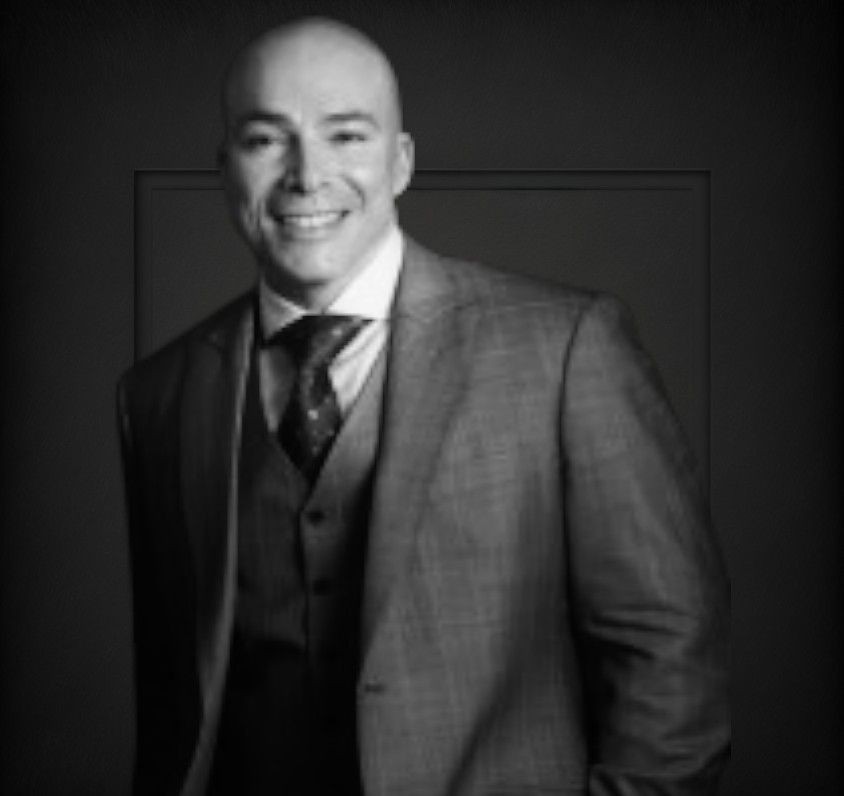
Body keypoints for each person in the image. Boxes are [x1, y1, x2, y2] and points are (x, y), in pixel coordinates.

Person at [117, 16, 730, 796]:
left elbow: (669, 653)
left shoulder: (567, 347)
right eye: (267, 139)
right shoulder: (158, 395)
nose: (307, 175)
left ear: (400, 162)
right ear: (225, 167)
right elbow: (173, 704)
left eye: (347, 136)